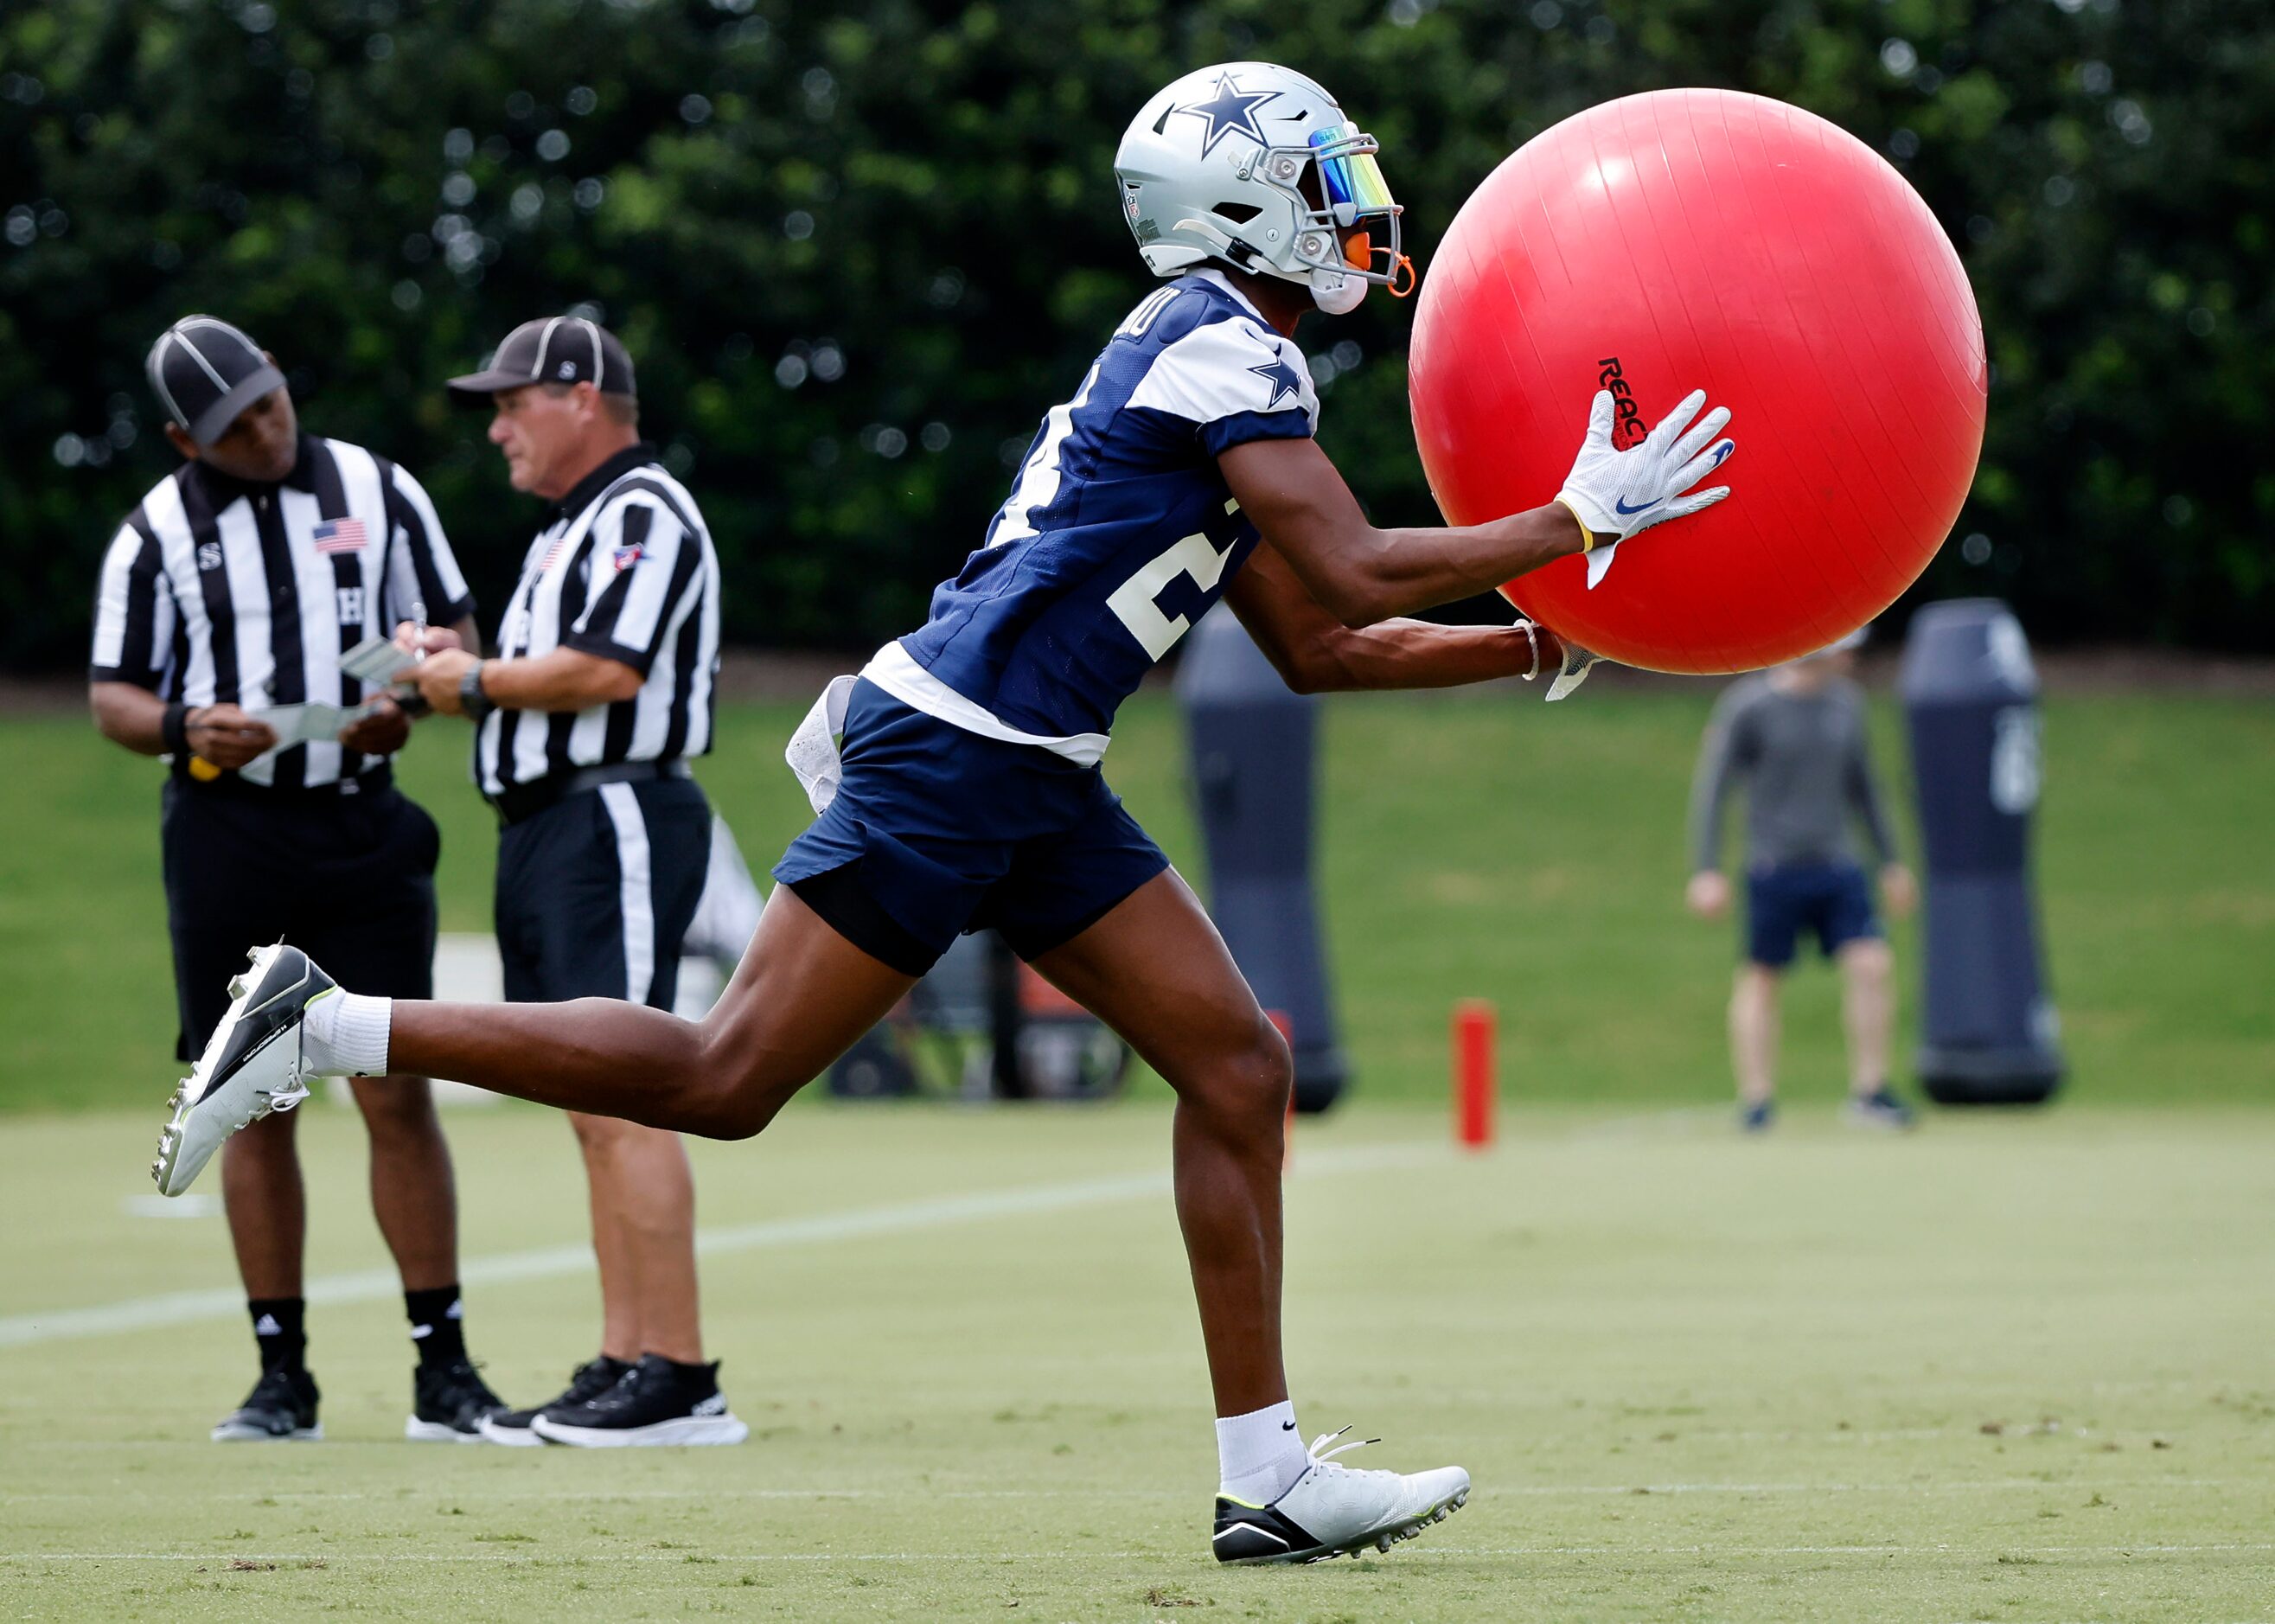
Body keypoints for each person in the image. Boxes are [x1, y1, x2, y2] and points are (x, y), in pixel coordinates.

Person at [151, 63, 1734, 1557]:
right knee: (721, 1077)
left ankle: (1267, 1475)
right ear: (1240, 207)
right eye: (1326, 178)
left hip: (1030, 763)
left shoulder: (1228, 366)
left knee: (1237, 1064)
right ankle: (327, 1026)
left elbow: (1322, 646)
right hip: (958, 744)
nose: (1360, 203)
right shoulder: (1217, 343)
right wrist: (1570, 520)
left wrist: (1535, 631)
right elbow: (1358, 565)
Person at [94, 315, 505, 1442]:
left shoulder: (379, 487)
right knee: (255, 1101)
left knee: (393, 1088)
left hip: (361, 827)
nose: (269, 431)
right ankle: (282, 1377)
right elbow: (114, 698)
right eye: (236, 426)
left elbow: (448, 633)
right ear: (188, 438)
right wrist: (187, 725)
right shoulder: (155, 534)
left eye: (271, 401)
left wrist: (406, 700)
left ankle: (445, 1368)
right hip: (227, 835)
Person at [408, 315, 743, 1448]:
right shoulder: (569, 530)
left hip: (615, 811)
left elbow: (605, 667)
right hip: (554, 826)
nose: (496, 427)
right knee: (585, 1096)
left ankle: (682, 1373)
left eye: (511, 402)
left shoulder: (641, 510)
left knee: (628, 1086)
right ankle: (626, 1354)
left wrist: (473, 679)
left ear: (581, 397)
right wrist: (453, 676)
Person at [1684, 631, 1919, 1131]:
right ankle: (1757, 1101)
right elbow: (1714, 789)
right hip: (1774, 867)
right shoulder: (1749, 706)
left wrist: (1893, 862)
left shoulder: (1847, 706)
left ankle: (1870, 1092)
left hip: (1838, 865)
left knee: (1873, 965)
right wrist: (1706, 869)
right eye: (1844, 643)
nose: (1852, 654)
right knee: (1762, 979)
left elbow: (1867, 791)